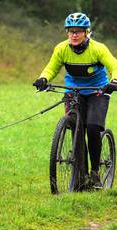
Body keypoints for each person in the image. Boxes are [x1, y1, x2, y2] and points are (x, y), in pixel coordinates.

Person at [33, 12, 117, 188]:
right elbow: (51, 68)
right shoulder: (61, 49)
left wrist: (114, 81)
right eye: (71, 31)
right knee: (76, 128)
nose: (74, 35)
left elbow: (114, 65)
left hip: (97, 91)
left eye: (78, 31)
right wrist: (43, 78)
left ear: (86, 32)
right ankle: (80, 176)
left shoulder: (98, 48)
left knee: (93, 128)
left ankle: (95, 173)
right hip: (73, 91)